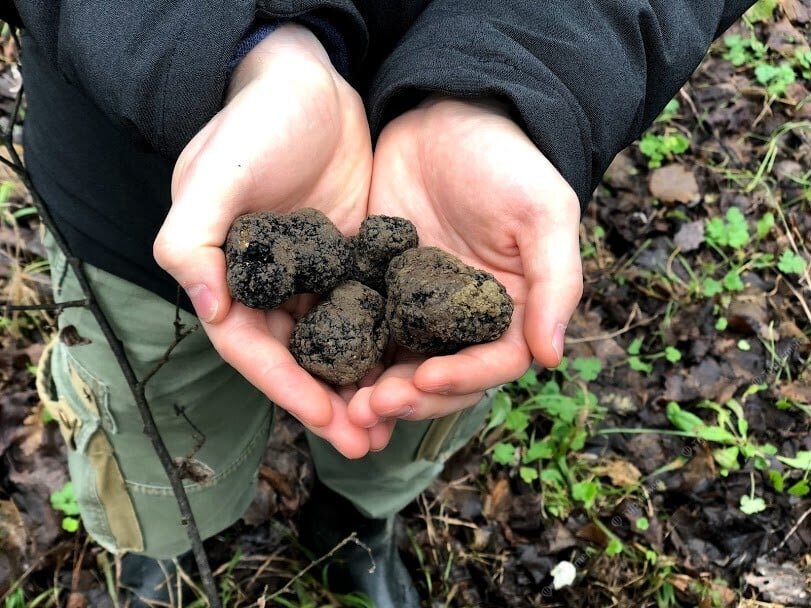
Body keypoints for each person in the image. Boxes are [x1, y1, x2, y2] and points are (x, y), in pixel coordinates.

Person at [1, 1, 754, 606]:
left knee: (403, 414)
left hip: (455, 194)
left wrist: (518, 76)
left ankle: (356, 524)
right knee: (152, 422)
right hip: (125, 187)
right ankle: (159, 549)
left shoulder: (408, 271)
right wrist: (249, 50)